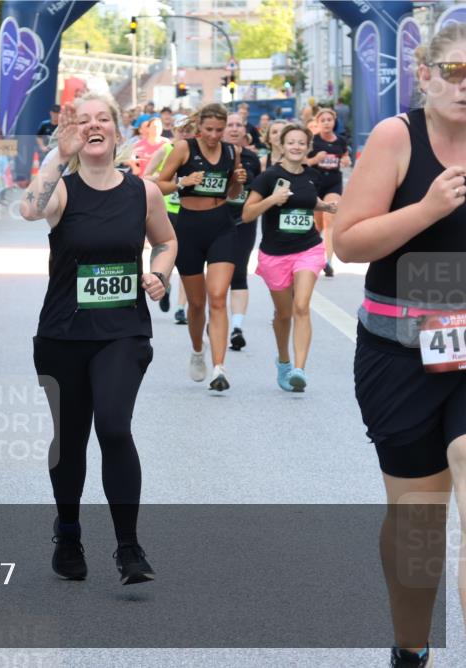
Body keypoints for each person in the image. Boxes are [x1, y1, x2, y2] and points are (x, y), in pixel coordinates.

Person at [333, 23, 466, 668]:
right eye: (454, 71)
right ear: (426, 75)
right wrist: (428, 209)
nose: (464, 85)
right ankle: (411, 647)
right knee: (419, 524)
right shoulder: (397, 138)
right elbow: (348, 243)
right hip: (400, 354)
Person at [19, 93, 177, 585]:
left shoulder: (143, 192)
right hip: (64, 333)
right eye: (83, 120)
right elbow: (29, 209)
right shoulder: (62, 190)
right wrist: (56, 156)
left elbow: (167, 241)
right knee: (70, 440)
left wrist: (159, 274)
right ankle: (68, 531)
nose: (94, 126)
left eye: (103, 119)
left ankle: (129, 549)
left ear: (117, 130)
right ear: (74, 131)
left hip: (122, 332)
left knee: (112, 426)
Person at [156, 103, 247, 391]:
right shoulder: (184, 148)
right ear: (199, 128)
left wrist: (236, 182)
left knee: (218, 296)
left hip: (222, 226)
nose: (214, 135)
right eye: (209, 130)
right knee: (197, 304)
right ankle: (198, 350)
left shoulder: (232, 151)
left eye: (219, 130)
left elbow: (232, 194)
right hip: (189, 228)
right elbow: (160, 184)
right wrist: (183, 181)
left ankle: (219, 368)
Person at [242, 124, 336, 391]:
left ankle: (299, 369)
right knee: (283, 314)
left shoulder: (312, 176)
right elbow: (248, 214)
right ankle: (283, 360)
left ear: (308, 147)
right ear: (282, 146)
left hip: (308, 248)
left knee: (302, 306)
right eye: (291, 142)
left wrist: (325, 206)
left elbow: (308, 200)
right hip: (275, 254)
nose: (296, 147)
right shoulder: (268, 177)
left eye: (301, 143)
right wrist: (272, 199)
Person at [143, 118, 198, 320]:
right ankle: (163, 284)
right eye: (182, 130)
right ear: (174, 130)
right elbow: (145, 176)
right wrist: (170, 181)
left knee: (187, 260)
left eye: (190, 130)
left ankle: (181, 308)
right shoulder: (165, 150)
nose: (185, 133)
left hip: (189, 210)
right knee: (165, 251)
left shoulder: (196, 152)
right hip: (166, 209)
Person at [224, 112, 263, 352]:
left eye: (240, 125)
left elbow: (257, 190)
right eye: (230, 125)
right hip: (215, 220)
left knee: (239, 272)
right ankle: (215, 318)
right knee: (218, 274)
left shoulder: (252, 158)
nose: (235, 129)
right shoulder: (213, 156)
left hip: (244, 222)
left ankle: (237, 327)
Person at [307, 108, 350, 277]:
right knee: (317, 226)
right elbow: (303, 163)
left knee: (330, 219)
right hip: (316, 184)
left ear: (334, 122)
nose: (326, 122)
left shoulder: (340, 141)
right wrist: (315, 160)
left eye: (329, 119)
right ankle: (313, 254)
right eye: (323, 120)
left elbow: (345, 155)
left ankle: (328, 262)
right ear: (317, 123)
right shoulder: (312, 141)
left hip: (333, 183)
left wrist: (346, 159)